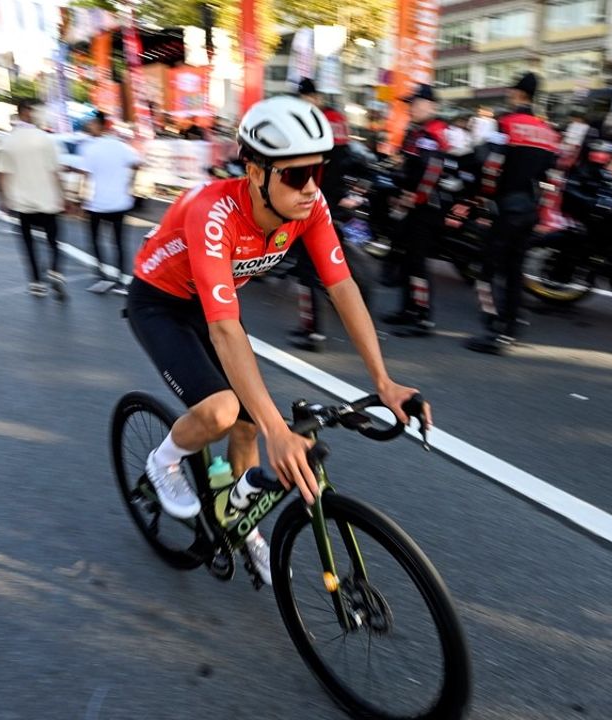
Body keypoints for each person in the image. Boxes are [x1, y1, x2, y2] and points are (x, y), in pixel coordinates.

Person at [125, 95, 429, 585]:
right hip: (160, 302)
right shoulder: (213, 211)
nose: (310, 187)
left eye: (318, 172)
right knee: (224, 412)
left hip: (210, 304)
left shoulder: (309, 206)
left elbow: (343, 287)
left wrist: (384, 381)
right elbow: (225, 329)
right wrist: (276, 431)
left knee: (247, 422)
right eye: (295, 175)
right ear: (254, 171)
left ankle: (240, 525)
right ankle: (163, 461)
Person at [465, 72, 559, 355]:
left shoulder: (505, 124)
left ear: (518, 94)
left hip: (504, 208)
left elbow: (491, 165)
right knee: (515, 271)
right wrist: (542, 212)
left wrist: (485, 200)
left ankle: (494, 329)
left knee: (486, 272)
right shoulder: (548, 133)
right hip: (529, 210)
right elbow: (551, 179)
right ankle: (512, 325)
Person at [289, 78, 355, 352]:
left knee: (306, 270)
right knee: (331, 266)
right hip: (338, 200)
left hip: (314, 202)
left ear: (312, 97)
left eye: (304, 99)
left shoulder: (313, 122)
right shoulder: (337, 118)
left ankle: (312, 331)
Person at [381, 84, 450, 337]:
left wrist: (415, 198)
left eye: (416, 103)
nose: (411, 108)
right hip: (412, 205)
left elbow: (432, 170)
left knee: (418, 263)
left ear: (430, 105)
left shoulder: (433, 132)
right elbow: (406, 163)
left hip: (425, 207)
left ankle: (422, 318)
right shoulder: (417, 132)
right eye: (410, 104)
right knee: (407, 259)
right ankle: (407, 309)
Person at [0, 98, 68, 299]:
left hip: (21, 202)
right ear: (27, 112)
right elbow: (55, 171)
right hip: (47, 199)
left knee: (28, 243)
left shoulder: (8, 140)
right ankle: (54, 269)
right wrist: (63, 196)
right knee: (53, 239)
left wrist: (3, 199)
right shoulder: (44, 139)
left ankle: (36, 282)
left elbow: (2, 174)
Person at [75, 111, 142, 294]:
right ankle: (120, 279)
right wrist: (130, 184)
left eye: (92, 124)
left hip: (96, 203)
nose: (89, 126)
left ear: (100, 125)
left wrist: (81, 200)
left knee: (95, 240)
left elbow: (85, 177)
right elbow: (137, 164)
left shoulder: (89, 148)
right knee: (119, 242)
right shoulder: (121, 146)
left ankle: (101, 275)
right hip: (119, 202)